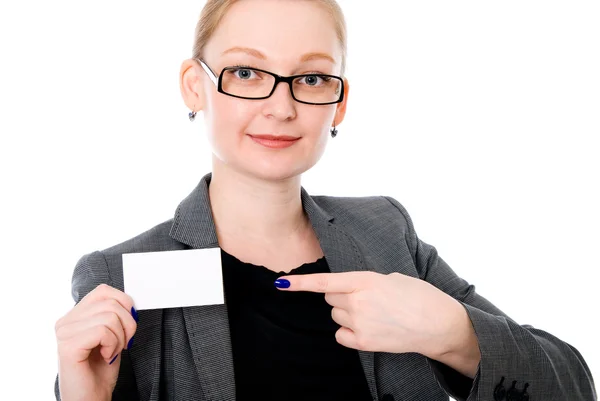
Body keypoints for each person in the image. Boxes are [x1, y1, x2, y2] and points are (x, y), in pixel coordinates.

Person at [53, 1, 597, 400]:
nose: (281, 106)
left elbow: (572, 386)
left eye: (311, 78)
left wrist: (454, 332)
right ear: (195, 86)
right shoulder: (120, 276)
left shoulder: (386, 232)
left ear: (338, 104)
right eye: (246, 72)